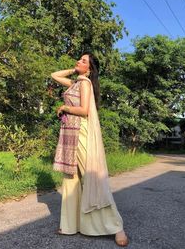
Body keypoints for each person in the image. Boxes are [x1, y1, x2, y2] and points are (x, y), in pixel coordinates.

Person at [51, 53, 129, 247]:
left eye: (83, 61)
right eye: (79, 59)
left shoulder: (85, 84)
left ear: (90, 69)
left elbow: (84, 110)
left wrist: (64, 107)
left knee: (91, 178)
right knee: (71, 179)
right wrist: (74, 70)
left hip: (81, 133)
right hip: (69, 133)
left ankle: (117, 227)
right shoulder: (76, 83)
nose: (79, 61)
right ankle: (69, 225)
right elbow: (54, 75)